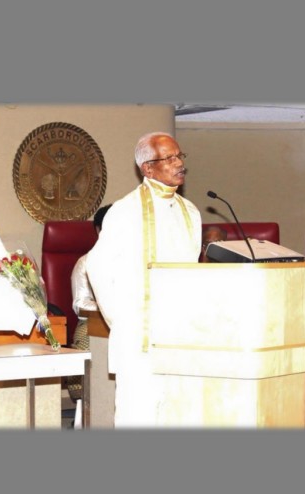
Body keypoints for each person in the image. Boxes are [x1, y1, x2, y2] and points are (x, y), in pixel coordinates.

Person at [85, 131, 202, 428]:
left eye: (179, 156)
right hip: (139, 337)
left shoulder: (190, 211)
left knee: (180, 416)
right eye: (169, 158)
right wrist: (123, 321)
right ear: (147, 168)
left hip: (181, 335)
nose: (179, 164)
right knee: (139, 417)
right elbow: (96, 267)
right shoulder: (125, 211)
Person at [66, 204, 112, 402]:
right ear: (99, 230)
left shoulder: (134, 261)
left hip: (129, 323)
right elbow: (80, 304)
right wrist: (110, 308)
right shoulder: (85, 262)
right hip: (93, 323)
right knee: (86, 344)